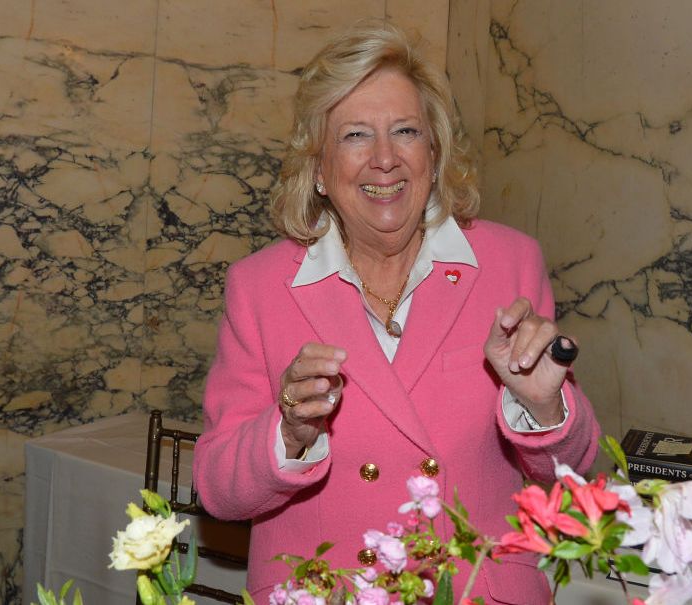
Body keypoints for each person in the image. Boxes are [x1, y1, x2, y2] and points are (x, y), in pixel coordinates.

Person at [193, 22, 601, 604]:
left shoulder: (510, 264)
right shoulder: (259, 288)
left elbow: (578, 479)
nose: (384, 159)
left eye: (405, 131)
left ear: (433, 155)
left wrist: (543, 406)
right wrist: (289, 432)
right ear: (318, 168)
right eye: (356, 135)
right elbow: (216, 490)